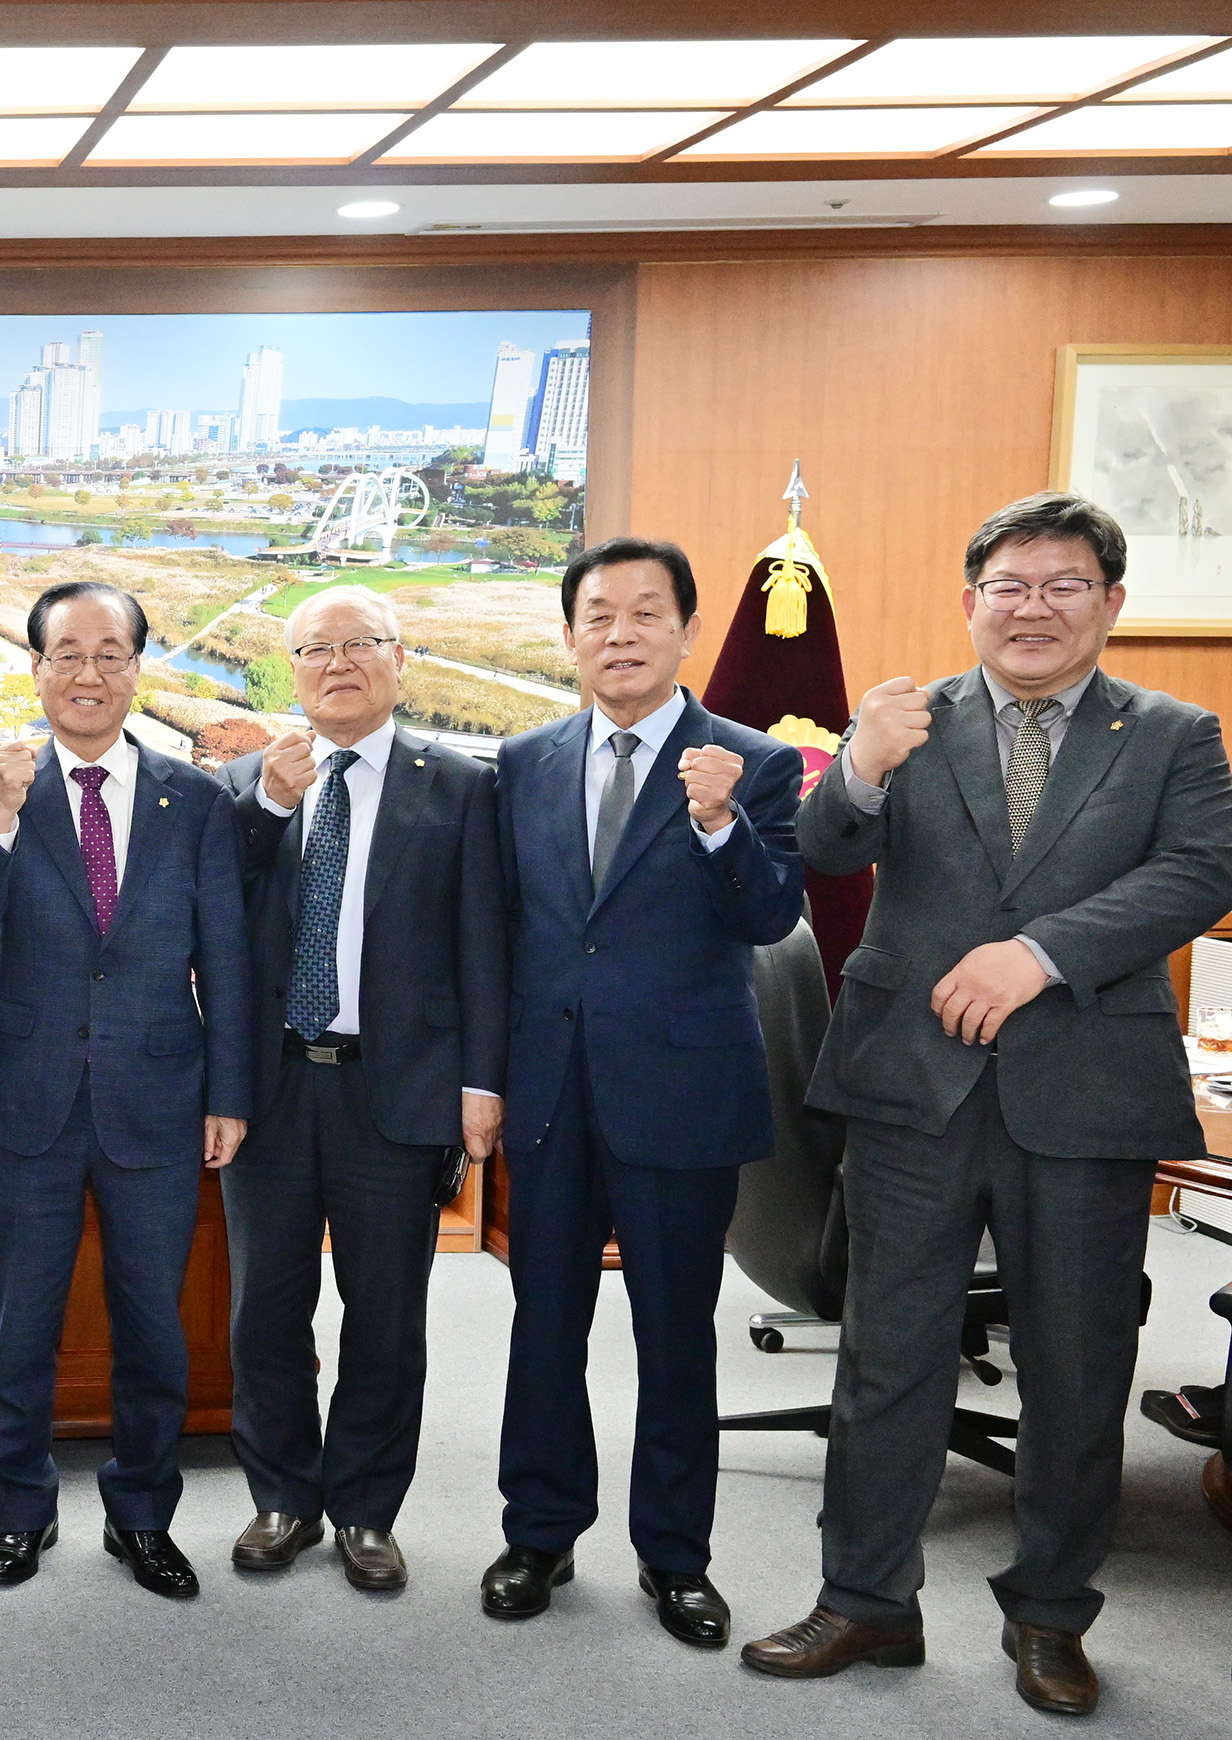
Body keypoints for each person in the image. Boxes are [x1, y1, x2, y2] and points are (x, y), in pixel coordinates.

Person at [743, 493, 1232, 1717]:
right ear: (971, 602)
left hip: (1087, 1089)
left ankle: (1051, 1616)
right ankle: (865, 1601)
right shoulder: (910, 719)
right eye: (1010, 585)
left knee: (1077, 1368)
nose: (1034, 608)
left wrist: (1041, 954)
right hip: (912, 1088)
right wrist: (860, 764)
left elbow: (1201, 870)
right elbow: (825, 850)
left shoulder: (1174, 734)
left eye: (1065, 585)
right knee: (888, 1359)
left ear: (1112, 604)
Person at [488, 538, 804, 1648]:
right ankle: (539, 1532)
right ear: (570, 635)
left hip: (681, 1090)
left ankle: (676, 1555)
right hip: (549, 1090)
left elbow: (770, 915)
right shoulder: (522, 761)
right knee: (544, 1325)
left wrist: (719, 823)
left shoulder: (753, 761)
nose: (620, 634)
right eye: (598, 615)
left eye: (645, 612)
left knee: (675, 1333)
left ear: (687, 629)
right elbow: (506, 931)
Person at [0, 580, 249, 1600]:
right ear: (36, 670)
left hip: (158, 1099)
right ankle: (19, 1513)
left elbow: (226, 957)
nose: (87, 674)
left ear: (136, 670)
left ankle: (143, 1516)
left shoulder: (195, 800)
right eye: (65, 654)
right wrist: (3, 814)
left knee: (153, 1329)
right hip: (25, 1097)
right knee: (19, 1329)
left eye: (108, 654)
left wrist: (230, 1094)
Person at [218, 584, 506, 1595]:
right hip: (270, 1089)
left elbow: (485, 945)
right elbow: (211, 913)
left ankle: (366, 1510)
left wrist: (480, 1082)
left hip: (398, 1089)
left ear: (399, 659)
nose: (338, 664)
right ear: (292, 669)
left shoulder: (460, 785)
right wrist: (269, 806)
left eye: (361, 644)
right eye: (316, 649)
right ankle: (282, 1497)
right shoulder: (250, 779)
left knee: (386, 1317)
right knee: (264, 1311)